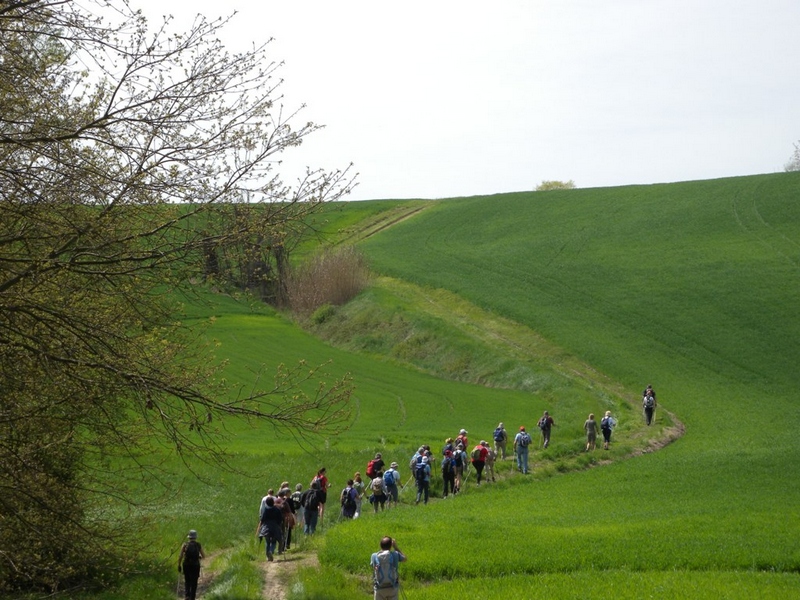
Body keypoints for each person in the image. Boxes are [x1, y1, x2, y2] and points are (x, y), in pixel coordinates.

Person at [370, 536, 407, 600]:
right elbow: (405, 559)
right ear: (391, 546)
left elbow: (373, 567)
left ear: (380, 545)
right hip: (392, 587)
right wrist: (395, 547)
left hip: (379, 587)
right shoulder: (395, 554)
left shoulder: (374, 556)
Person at [178, 529, 205, 600]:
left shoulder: (184, 545)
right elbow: (204, 556)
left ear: (189, 537)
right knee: (194, 581)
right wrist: (198, 557)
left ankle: (187, 596)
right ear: (195, 537)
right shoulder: (198, 545)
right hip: (195, 565)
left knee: (187, 580)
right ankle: (192, 597)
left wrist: (179, 565)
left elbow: (180, 556)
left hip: (186, 564)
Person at [259, 496, 283, 561]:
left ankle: (268, 555)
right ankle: (271, 551)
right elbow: (280, 519)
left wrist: (260, 528)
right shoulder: (277, 509)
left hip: (266, 528)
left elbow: (262, 519)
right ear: (273, 502)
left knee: (267, 542)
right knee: (274, 541)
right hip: (275, 527)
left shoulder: (265, 510)